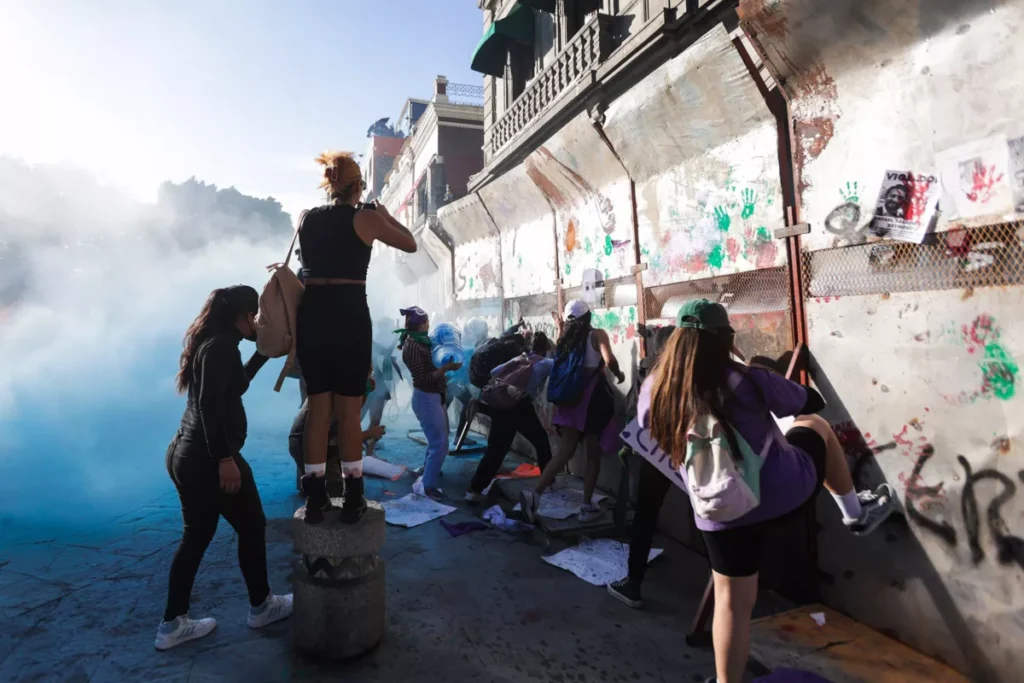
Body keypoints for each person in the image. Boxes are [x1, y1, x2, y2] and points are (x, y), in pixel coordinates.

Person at [621, 299, 895, 683]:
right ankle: (855, 513)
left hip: (719, 508)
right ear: (725, 339)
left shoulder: (654, 389)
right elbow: (811, 402)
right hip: (782, 494)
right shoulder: (745, 378)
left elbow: (656, 433)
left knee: (732, 604)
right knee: (816, 426)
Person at [157, 286, 293, 651]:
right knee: (251, 525)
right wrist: (225, 459)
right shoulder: (220, 347)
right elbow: (209, 406)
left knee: (197, 538)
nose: (260, 323)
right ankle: (262, 605)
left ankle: (173, 623)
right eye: (257, 316)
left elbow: (235, 388)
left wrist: (263, 354)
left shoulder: (219, 344)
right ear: (243, 316)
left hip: (188, 455)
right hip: (206, 458)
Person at [296, 151, 417, 525]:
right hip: (348, 316)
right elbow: (410, 243)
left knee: (318, 410)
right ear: (358, 185)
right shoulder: (365, 218)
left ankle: (315, 496)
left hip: (312, 316)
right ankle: (353, 496)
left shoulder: (305, 218)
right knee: (349, 413)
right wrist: (383, 215)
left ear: (329, 184)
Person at [519, 300, 625, 524]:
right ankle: (586, 506)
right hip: (594, 399)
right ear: (588, 317)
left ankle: (535, 495)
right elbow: (609, 360)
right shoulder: (597, 334)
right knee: (593, 455)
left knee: (563, 453)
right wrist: (620, 375)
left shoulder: (565, 340)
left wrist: (559, 327)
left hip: (570, 401)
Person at [465, 332, 556, 504]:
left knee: (497, 449)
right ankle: (549, 484)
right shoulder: (545, 363)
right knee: (541, 441)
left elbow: (494, 372)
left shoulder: (521, 359)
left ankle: (474, 490)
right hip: (519, 406)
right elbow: (563, 365)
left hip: (503, 405)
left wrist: (506, 390)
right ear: (546, 350)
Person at [289, 366, 386, 494]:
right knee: (337, 491)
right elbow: (339, 438)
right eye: (369, 375)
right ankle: (316, 482)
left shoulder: (336, 384)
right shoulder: (341, 394)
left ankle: (311, 481)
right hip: (307, 443)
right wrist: (371, 433)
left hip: (307, 440)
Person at [400, 306, 462, 500]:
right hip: (426, 397)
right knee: (440, 444)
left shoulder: (422, 341)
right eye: (426, 321)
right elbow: (425, 378)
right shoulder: (413, 347)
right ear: (420, 326)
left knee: (438, 437)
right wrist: (446, 368)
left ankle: (428, 469)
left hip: (434, 396)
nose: (429, 324)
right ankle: (428, 487)